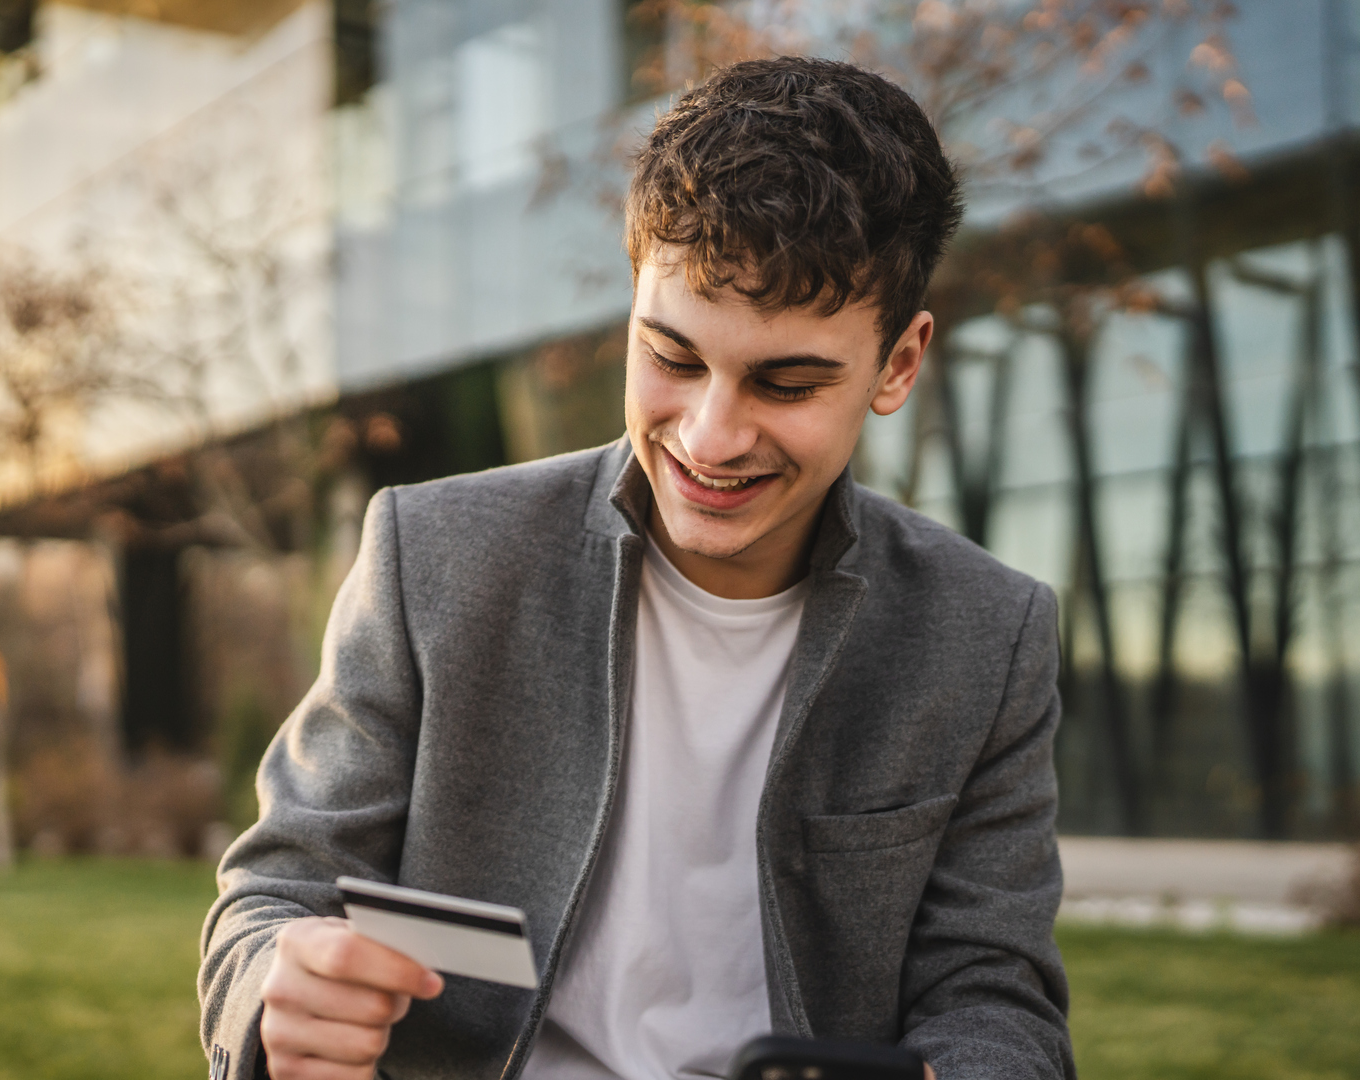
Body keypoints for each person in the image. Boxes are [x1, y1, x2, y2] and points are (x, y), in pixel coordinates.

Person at [200, 56, 1073, 1080]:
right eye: (673, 358)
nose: (710, 437)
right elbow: (278, 896)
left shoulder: (987, 635)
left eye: (787, 384)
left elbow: (995, 996)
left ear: (900, 365)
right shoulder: (432, 555)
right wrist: (277, 986)